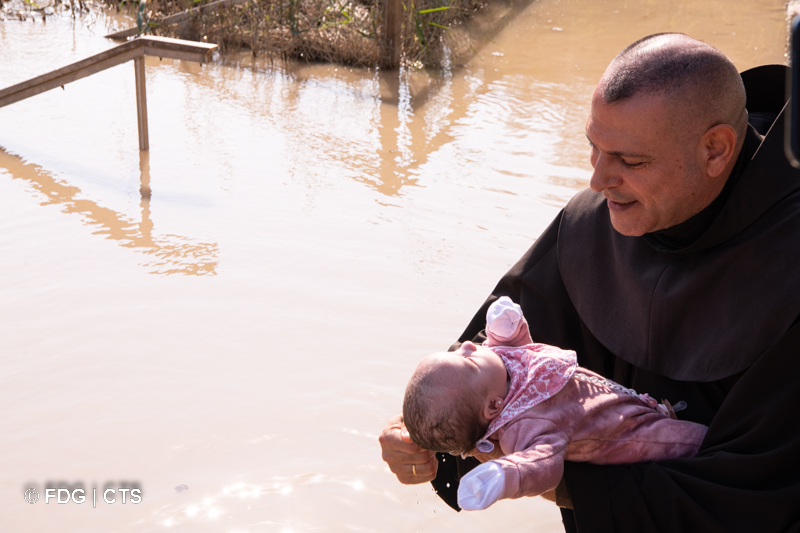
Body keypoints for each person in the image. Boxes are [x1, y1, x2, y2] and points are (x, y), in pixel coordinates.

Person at [379, 32, 800, 532]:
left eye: (630, 161)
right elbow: (487, 378)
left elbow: (758, 495)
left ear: (715, 149)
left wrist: (552, 480)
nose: (598, 180)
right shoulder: (591, 223)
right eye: (593, 149)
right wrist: (423, 439)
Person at [403, 297, 707, 511]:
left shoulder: (501, 369)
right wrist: (506, 474)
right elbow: (541, 465)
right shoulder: (522, 427)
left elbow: (521, 346)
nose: (468, 345)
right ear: (493, 408)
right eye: (468, 363)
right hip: (632, 436)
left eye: (458, 353)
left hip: (629, 402)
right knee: (698, 443)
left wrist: (507, 326)